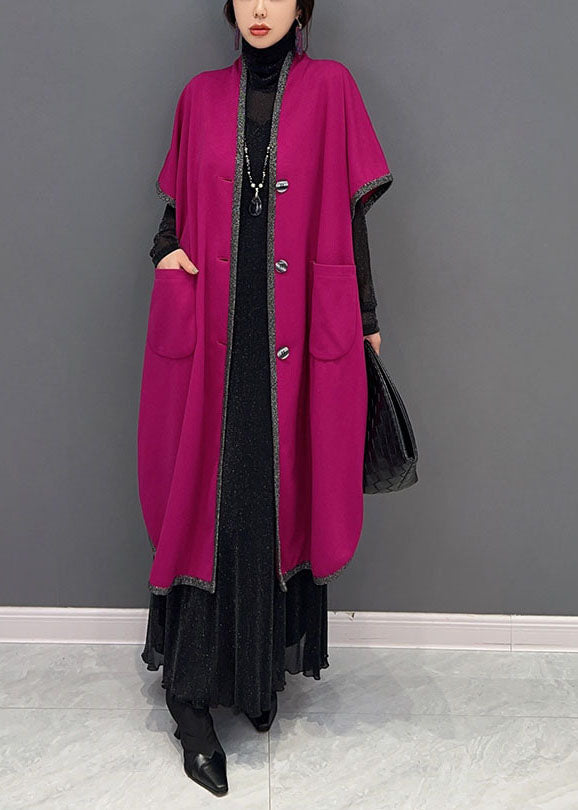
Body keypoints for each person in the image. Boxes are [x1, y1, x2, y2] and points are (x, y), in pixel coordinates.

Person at [138, 0, 393, 797]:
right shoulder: (199, 96)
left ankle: (253, 677)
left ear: (301, 6)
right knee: (202, 504)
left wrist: (368, 320)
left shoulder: (332, 89)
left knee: (270, 502)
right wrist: (167, 253)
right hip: (211, 334)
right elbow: (176, 208)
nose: (258, 8)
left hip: (296, 335)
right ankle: (188, 702)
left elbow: (350, 216)